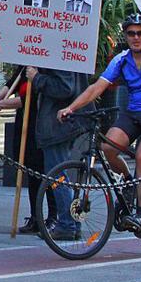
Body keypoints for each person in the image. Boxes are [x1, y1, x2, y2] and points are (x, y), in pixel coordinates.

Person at [59, 14, 141, 231]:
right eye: (131, 33)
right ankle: (128, 182)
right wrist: (71, 108)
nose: (136, 37)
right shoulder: (122, 59)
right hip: (133, 112)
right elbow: (96, 88)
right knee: (108, 148)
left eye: (140, 33)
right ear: (125, 36)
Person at [27, 66, 91, 240]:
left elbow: (64, 87)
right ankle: (72, 223)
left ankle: (67, 224)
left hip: (58, 124)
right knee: (60, 177)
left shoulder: (59, 58)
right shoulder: (63, 56)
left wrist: (37, 78)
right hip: (64, 123)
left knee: (58, 177)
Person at [0, 66, 52, 234]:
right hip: (25, 124)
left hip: (42, 124)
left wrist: (2, 104)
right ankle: (36, 217)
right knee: (32, 172)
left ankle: (53, 217)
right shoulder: (26, 65)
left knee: (46, 172)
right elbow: (12, 84)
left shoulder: (46, 69)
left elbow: (31, 97)